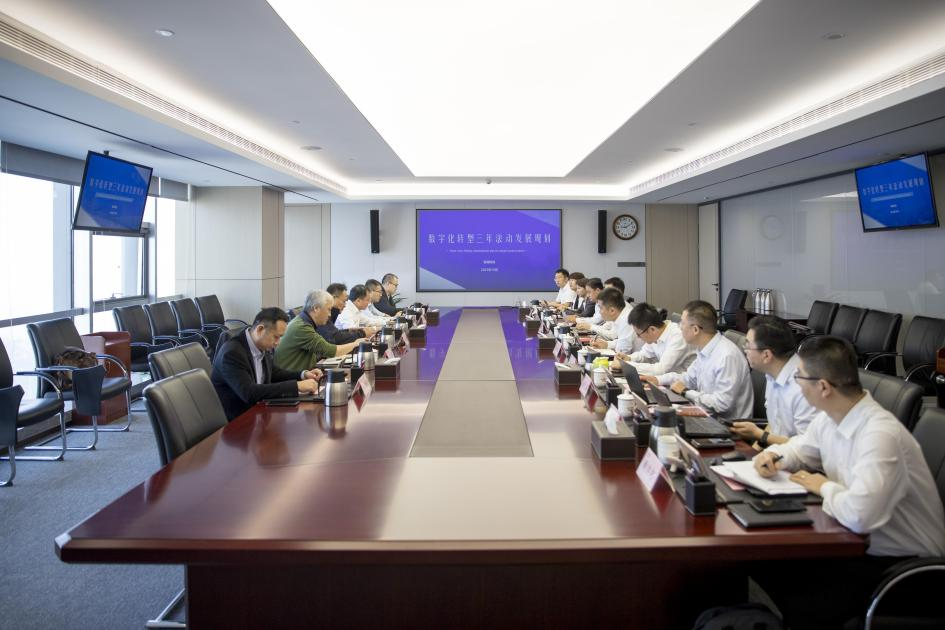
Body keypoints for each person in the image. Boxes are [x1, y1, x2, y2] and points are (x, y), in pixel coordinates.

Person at [752, 336, 945, 629]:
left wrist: (822, 486)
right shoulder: (831, 417)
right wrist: (775, 456)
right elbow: (801, 448)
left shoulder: (879, 434)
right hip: (856, 546)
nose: (796, 384)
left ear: (823, 387)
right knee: (772, 567)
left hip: (905, 571)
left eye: (799, 377)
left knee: (801, 596)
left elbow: (860, 515)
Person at [642, 300, 753, 420]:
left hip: (728, 425)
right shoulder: (705, 348)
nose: (680, 327)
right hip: (708, 414)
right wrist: (657, 380)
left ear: (695, 329)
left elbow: (722, 404)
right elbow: (688, 378)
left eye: (682, 323)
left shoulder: (727, 356)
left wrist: (685, 392)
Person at [211, 307, 320, 421]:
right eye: (276, 337)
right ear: (260, 329)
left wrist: (302, 375)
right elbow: (249, 393)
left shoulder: (262, 345)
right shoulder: (232, 353)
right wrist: (296, 386)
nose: (278, 343)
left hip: (259, 412)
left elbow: (273, 373)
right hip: (237, 420)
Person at [730, 315, 818, 445]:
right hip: (774, 451)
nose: (745, 351)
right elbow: (774, 424)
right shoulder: (773, 373)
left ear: (766, 355)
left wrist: (759, 435)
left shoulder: (804, 386)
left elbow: (807, 447)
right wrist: (755, 450)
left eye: (747, 346)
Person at [275, 290, 365, 373]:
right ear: (316, 308)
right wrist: (356, 344)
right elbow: (331, 351)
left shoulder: (304, 321)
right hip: (291, 378)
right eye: (328, 309)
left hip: (304, 372)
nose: (329, 314)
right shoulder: (302, 328)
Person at [616, 302, 694, 377]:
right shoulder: (656, 333)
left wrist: (626, 365)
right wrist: (629, 358)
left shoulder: (677, 336)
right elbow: (644, 355)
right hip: (668, 380)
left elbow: (661, 370)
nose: (639, 338)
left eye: (639, 334)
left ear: (652, 329)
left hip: (684, 383)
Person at [590, 287, 637, 353]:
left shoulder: (626, 320)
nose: (600, 312)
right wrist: (607, 344)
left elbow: (622, 351)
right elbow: (621, 340)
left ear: (612, 310)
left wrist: (607, 346)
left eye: (601, 308)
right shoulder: (620, 316)